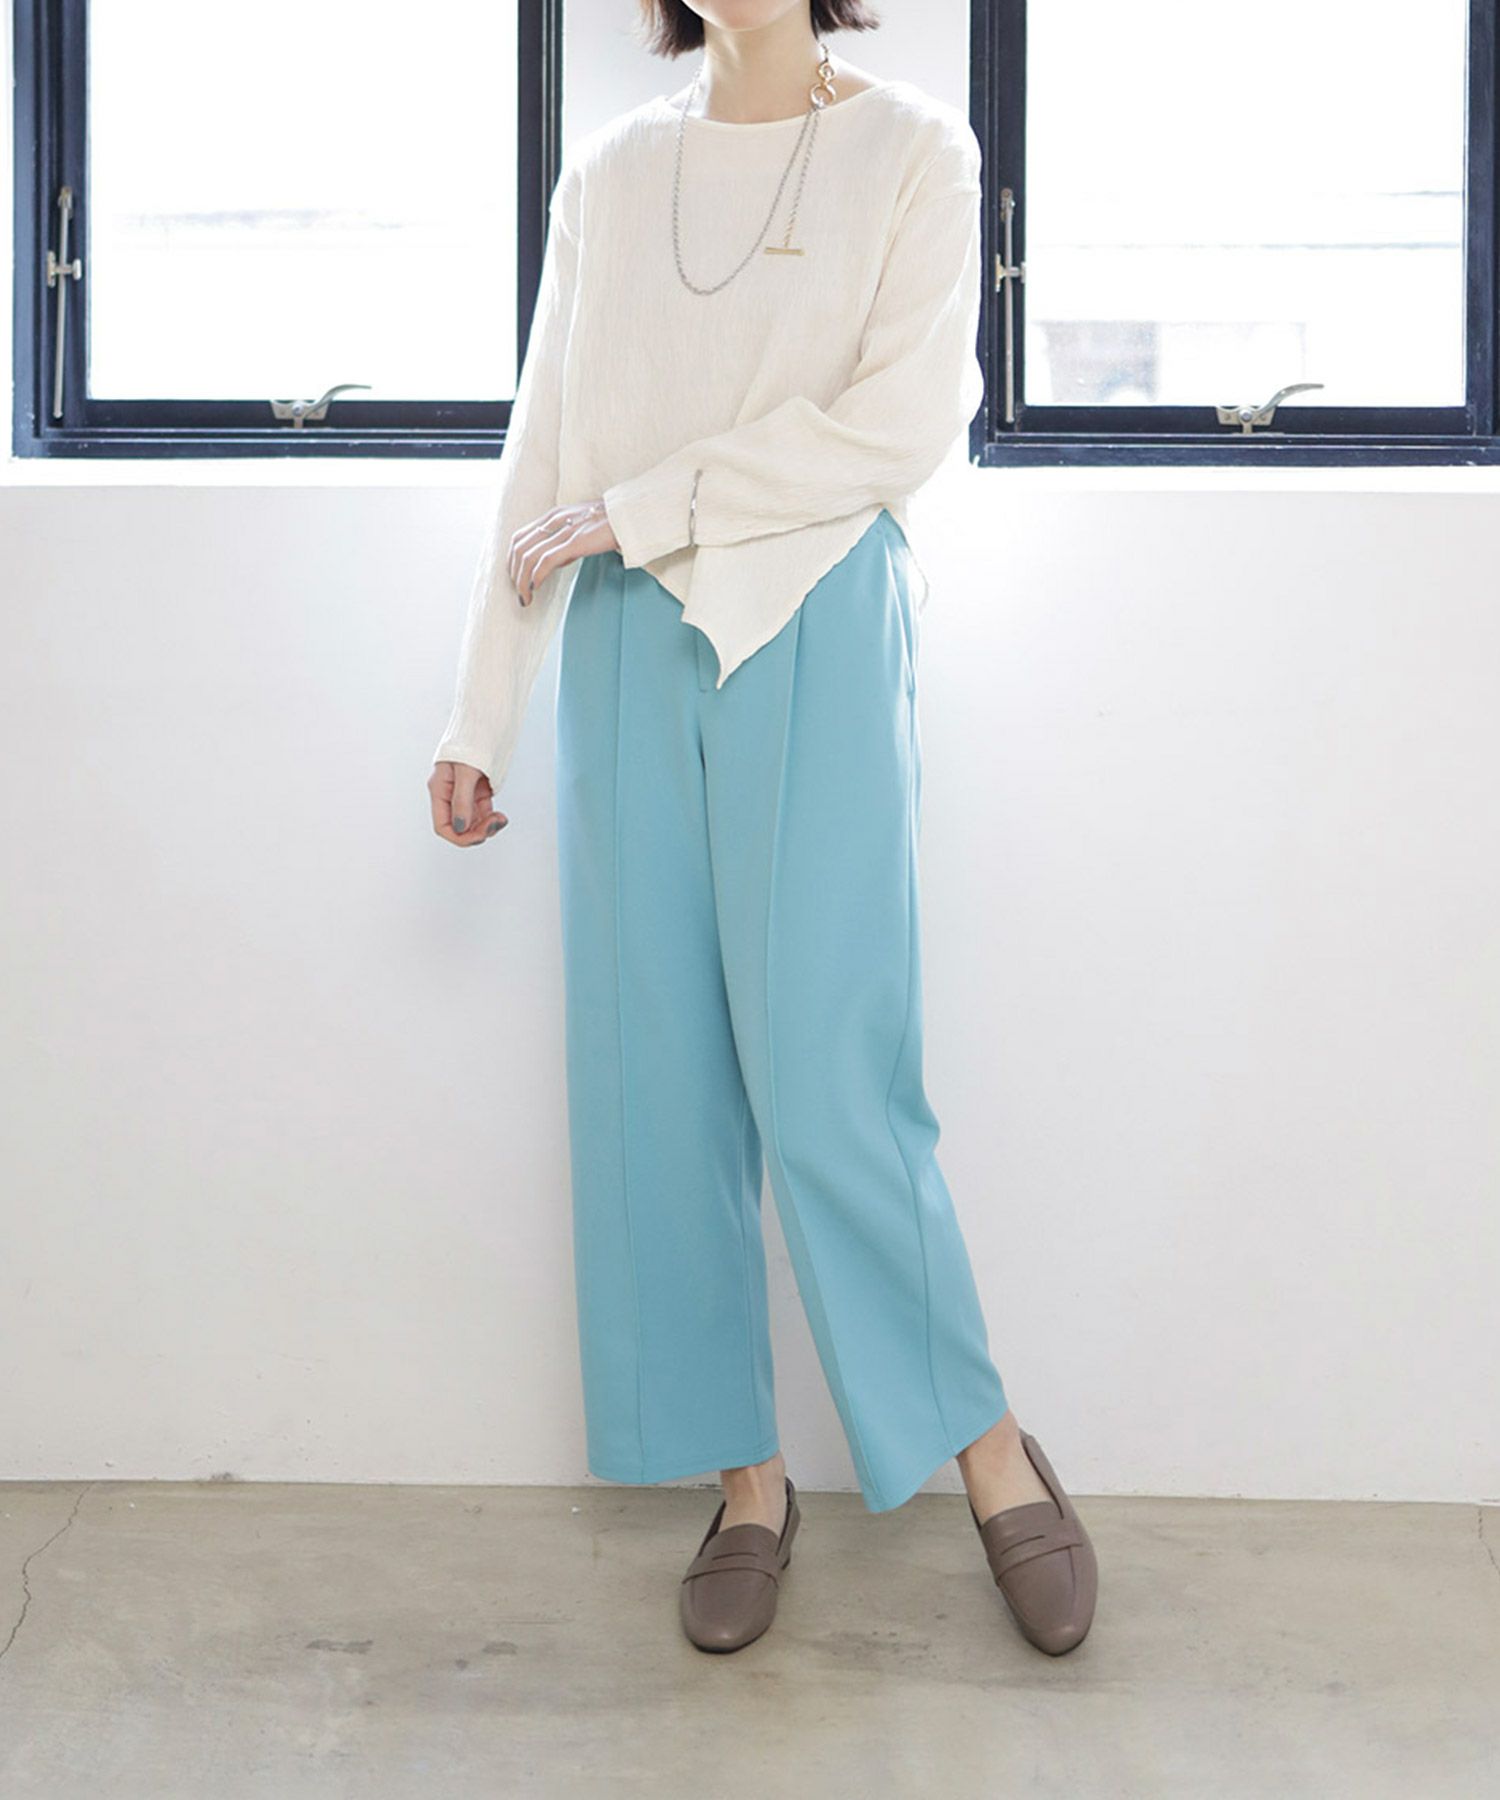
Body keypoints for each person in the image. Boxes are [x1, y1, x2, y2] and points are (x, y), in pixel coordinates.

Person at [427, 0, 1098, 1657]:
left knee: (829, 1076)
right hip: (623, 631)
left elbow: (903, 426)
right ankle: (746, 1481)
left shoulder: (914, 151)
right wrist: (479, 710)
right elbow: (544, 447)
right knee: (654, 1078)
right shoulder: (611, 172)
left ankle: (988, 1445)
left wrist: (652, 505)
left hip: (811, 613)